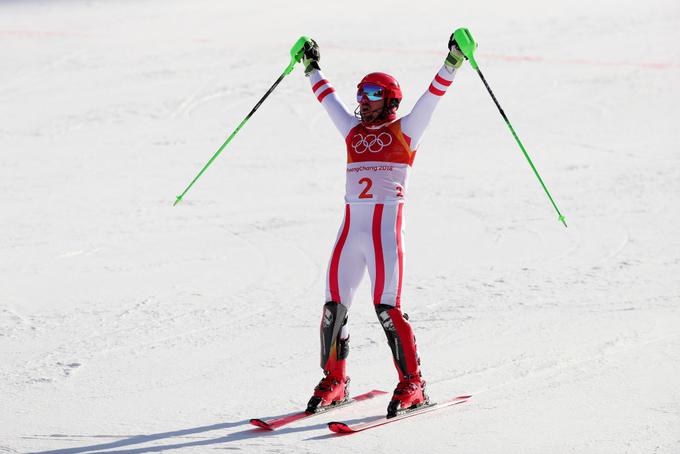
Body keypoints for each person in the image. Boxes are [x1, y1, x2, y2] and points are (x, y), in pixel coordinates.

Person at [301, 33, 466, 418]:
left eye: (372, 93)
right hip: (350, 234)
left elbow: (435, 94)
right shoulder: (353, 132)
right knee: (332, 309)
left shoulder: (407, 131)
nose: (362, 100)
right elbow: (328, 99)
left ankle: (413, 384)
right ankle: (335, 380)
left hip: (383, 238)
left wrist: (454, 60)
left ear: (390, 99)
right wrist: (310, 67)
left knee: (388, 309)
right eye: (360, 92)